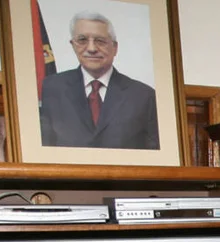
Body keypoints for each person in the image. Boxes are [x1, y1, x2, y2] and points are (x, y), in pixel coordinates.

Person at [39, 11, 160, 150]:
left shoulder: (143, 96)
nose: (91, 49)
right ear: (73, 45)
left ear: (115, 48)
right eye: (82, 40)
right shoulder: (52, 88)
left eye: (100, 41)